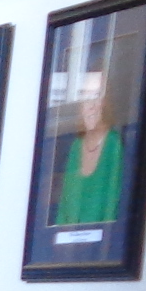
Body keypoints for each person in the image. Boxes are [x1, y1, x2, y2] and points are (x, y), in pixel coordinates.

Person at [50, 69, 125, 228]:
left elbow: (112, 208)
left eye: (96, 97)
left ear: (106, 103)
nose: (91, 106)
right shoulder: (76, 146)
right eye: (85, 97)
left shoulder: (114, 144)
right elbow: (64, 207)